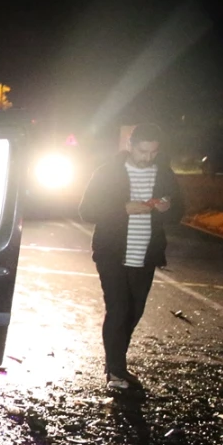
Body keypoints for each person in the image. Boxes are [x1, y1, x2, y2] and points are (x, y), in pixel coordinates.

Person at [78, 123, 184, 391]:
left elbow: (179, 212)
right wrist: (122, 208)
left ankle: (115, 361)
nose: (148, 157)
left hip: (146, 255)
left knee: (134, 311)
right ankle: (115, 371)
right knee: (119, 309)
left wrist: (167, 208)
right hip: (111, 253)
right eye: (143, 151)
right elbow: (87, 210)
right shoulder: (108, 172)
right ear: (130, 146)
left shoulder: (164, 173)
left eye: (153, 152)